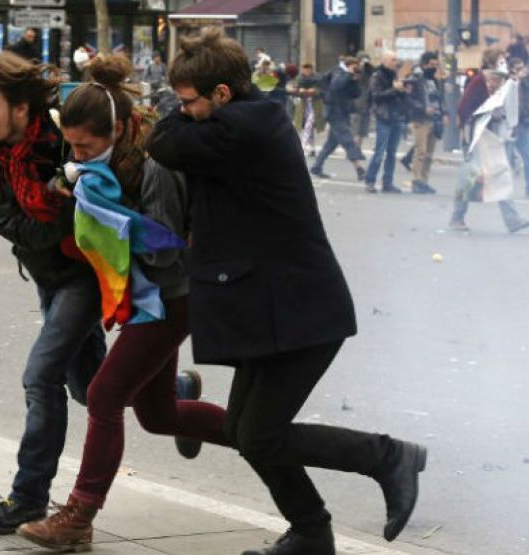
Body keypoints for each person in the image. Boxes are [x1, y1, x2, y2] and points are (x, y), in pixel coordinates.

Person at [146, 28, 427, 555]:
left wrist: (171, 114)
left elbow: (162, 141)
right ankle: (311, 533)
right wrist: (184, 106)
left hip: (301, 312)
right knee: (246, 432)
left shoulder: (245, 126)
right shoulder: (240, 121)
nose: (181, 112)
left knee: (257, 435)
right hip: (274, 308)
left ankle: (386, 457)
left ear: (223, 95)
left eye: (188, 102)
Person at [15, 55, 229, 551]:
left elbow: (166, 246)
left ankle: (78, 517)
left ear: (114, 130)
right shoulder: (113, 160)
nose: (78, 154)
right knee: (158, 416)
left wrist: (107, 225)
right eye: (71, 145)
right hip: (155, 297)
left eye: (85, 145)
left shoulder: (155, 165)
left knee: (105, 396)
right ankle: (263, 438)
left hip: (170, 299)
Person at [0, 52, 107, 535]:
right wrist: (64, 201)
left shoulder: (67, 138)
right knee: (92, 390)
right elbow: (22, 231)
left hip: (89, 272)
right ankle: (169, 392)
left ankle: (27, 499)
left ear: (21, 110)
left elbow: (105, 187)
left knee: (40, 378)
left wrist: (68, 196)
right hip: (49, 273)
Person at [449, 67, 529, 234]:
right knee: (469, 177)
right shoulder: (478, 84)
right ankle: (457, 216)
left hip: (490, 138)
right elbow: (463, 109)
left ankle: (512, 219)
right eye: (493, 79)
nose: (495, 83)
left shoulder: (501, 90)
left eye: (498, 80)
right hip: (475, 137)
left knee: (500, 174)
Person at [310, 56, 367, 181]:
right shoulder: (338, 71)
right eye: (354, 66)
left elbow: (356, 94)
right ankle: (359, 168)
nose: (356, 68)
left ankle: (316, 167)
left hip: (343, 111)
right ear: (348, 65)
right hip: (333, 110)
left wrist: (355, 80)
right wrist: (348, 74)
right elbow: (336, 86)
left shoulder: (348, 75)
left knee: (332, 143)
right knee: (347, 137)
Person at [363, 51, 410, 194]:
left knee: (392, 153)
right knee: (380, 151)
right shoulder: (378, 76)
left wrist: (403, 91)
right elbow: (377, 96)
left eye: (396, 60)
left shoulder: (394, 75)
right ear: (384, 61)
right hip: (383, 117)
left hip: (396, 117)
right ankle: (370, 181)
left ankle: (387, 182)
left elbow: (397, 97)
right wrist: (394, 89)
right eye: (392, 60)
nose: (395, 62)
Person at [404, 51, 443, 195]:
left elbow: (439, 97)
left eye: (436, 65)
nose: (434, 68)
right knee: (421, 152)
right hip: (420, 119)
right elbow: (408, 99)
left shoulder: (434, 80)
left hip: (434, 118)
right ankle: (416, 180)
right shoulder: (415, 78)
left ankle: (424, 181)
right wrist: (423, 108)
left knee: (429, 154)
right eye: (431, 65)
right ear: (425, 64)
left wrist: (443, 113)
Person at [292, 63, 326, 156]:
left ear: (311, 70)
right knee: (309, 128)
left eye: (308, 70)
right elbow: (294, 91)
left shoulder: (318, 79)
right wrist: (300, 90)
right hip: (303, 105)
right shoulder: (299, 79)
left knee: (309, 124)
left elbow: (322, 91)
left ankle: (302, 147)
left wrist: (314, 91)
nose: (306, 72)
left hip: (315, 105)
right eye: (305, 70)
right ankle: (312, 148)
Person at [511, 56, 529, 197]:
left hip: (522, 123)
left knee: (527, 155)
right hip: (507, 125)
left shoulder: (525, 84)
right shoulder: (509, 82)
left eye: (523, 68)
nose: (522, 71)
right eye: (518, 69)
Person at [352, 53, 374, 146]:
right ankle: (353, 150)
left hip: (367, 104)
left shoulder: (370, 71)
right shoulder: (355, 71)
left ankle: (358, 148)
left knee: (362, 130)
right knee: (356, 129)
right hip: (357, 104)